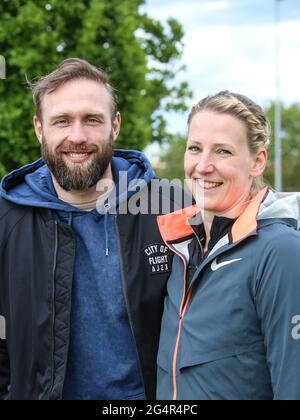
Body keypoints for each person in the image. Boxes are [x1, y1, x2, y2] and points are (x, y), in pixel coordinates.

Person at [0, 58, 189, 400]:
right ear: (39, 128)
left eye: (91, 120)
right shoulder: (7, 219)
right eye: (61, 121)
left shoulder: (171, 206)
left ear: (114, 125)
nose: (77, 136)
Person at [156, 91, 300, 400]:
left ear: (257, 161)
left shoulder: (281, 251)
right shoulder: (178, 245)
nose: (204, 166)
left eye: (223, 152)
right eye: (195, 148)